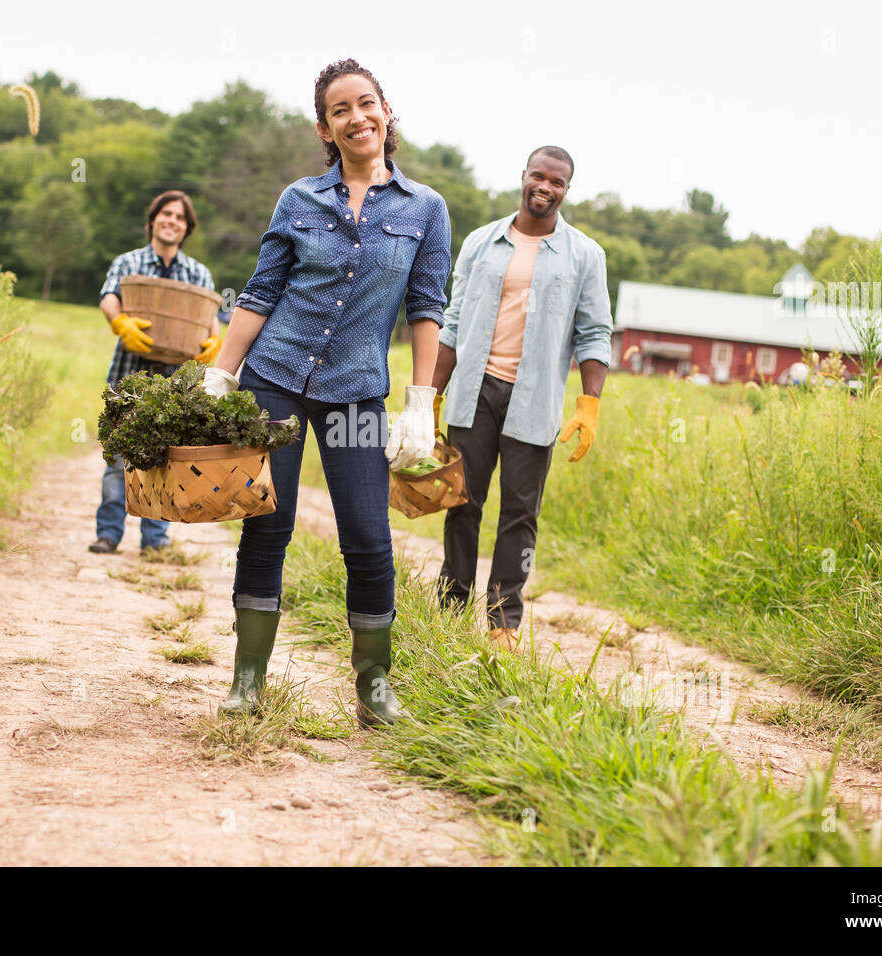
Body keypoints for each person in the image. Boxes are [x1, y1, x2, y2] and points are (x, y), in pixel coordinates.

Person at [201, 59, 451, 726]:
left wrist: (422, 401)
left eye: (365, 104)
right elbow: (260, 293)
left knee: (369, 537)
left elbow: (427, 308)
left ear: (386, 110)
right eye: (341, 110)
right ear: (325, 127)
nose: (356, 117)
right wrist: (223, 372)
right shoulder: (299, 200)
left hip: (356, 390)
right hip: (275, 377)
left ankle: (374, 691)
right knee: (267, 526)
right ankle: (246, 684)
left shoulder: (425, 209)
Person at [431, 146, 612, 651]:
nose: (546, 188)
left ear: (566, 190)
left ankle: (502, 622)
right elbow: (453, 322)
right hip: (474, 390)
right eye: (539, 176)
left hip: (534, 400)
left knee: (520, 513)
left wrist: (589, 402)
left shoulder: (585, 256)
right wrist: (431, 394)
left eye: (557, 182)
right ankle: (450, 607)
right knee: (462, 503)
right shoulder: (480, 242)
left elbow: (595, 333)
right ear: (524, 177)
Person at [90, 190, 221, 555]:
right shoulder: (128, 262)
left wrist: (214, 341)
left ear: (186, 228)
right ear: (153, 220)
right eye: (166, 214)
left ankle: (156, 541)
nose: (172, 221)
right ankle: (108, 534)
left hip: (172, 382)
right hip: (128, 374)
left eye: (180, 218)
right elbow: (108, 295)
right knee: (119, 461)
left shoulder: (198, 272)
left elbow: (210, 318)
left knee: (165, 462)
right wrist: (118, 321)